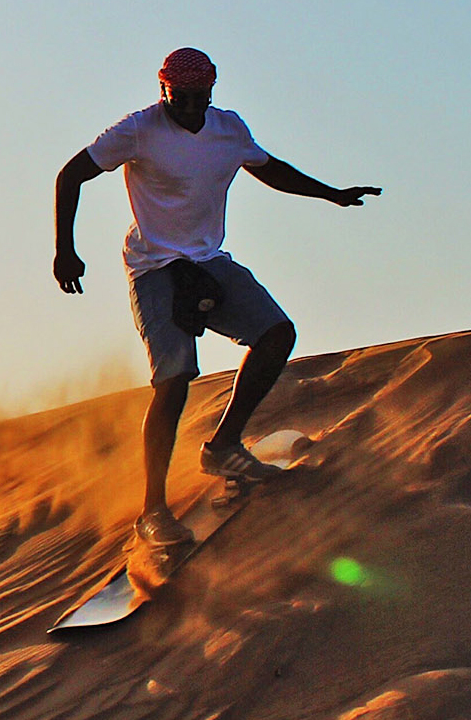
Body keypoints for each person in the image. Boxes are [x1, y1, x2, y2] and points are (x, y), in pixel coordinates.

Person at [52, 48, 380, 547]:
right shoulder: (137, 130)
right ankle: (152, 511)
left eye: (198, 97)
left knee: (276, 334)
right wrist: (65, 250)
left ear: (211, 92)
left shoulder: (228, 129)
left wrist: (331, 193)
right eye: (178, 97)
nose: (188, 106)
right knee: (175, 378)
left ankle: (224, 446)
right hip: (154, 267)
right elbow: (71, 174)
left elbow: (268, 168)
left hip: (208, 260)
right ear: (163, 90)